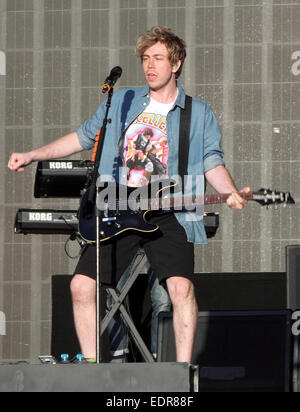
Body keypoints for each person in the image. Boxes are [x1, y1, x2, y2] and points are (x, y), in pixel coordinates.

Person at [8, 26, 250, 363]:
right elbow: (83, 136)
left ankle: (181, 373)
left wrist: (230, 192)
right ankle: (92, 368)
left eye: (159, 59)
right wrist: (34, 155)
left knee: (181, 289)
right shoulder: (121, 101)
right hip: (118, 205)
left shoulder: (198, 113)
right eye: (146, 59)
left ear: (176, 64)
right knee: (80, 286)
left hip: (170, 210)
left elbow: (212, 162)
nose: (150, 66)